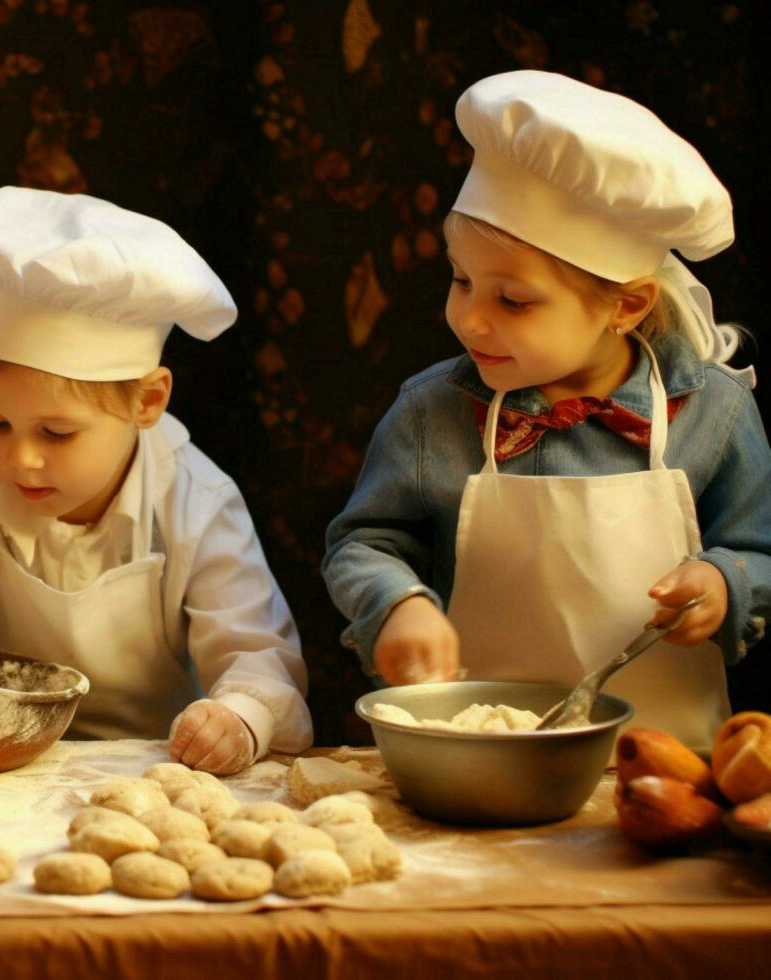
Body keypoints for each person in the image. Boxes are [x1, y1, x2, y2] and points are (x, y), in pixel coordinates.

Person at [323, 71, 771, 752]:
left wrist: (724, 581)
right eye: (460, 279)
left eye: (513, 301)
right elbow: (364, 542)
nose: (468, 318)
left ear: (626, 305)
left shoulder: (714, 414)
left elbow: (760, 549)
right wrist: (397, 605)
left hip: (664, 763)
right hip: (476, 761)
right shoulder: (432, 414)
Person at [0, 186, 312, 774]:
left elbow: (254, 648)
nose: (20, 459)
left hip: (151, 766)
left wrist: (242, 715)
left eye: (57, 433)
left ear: (147, 402)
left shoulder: (197, 501)